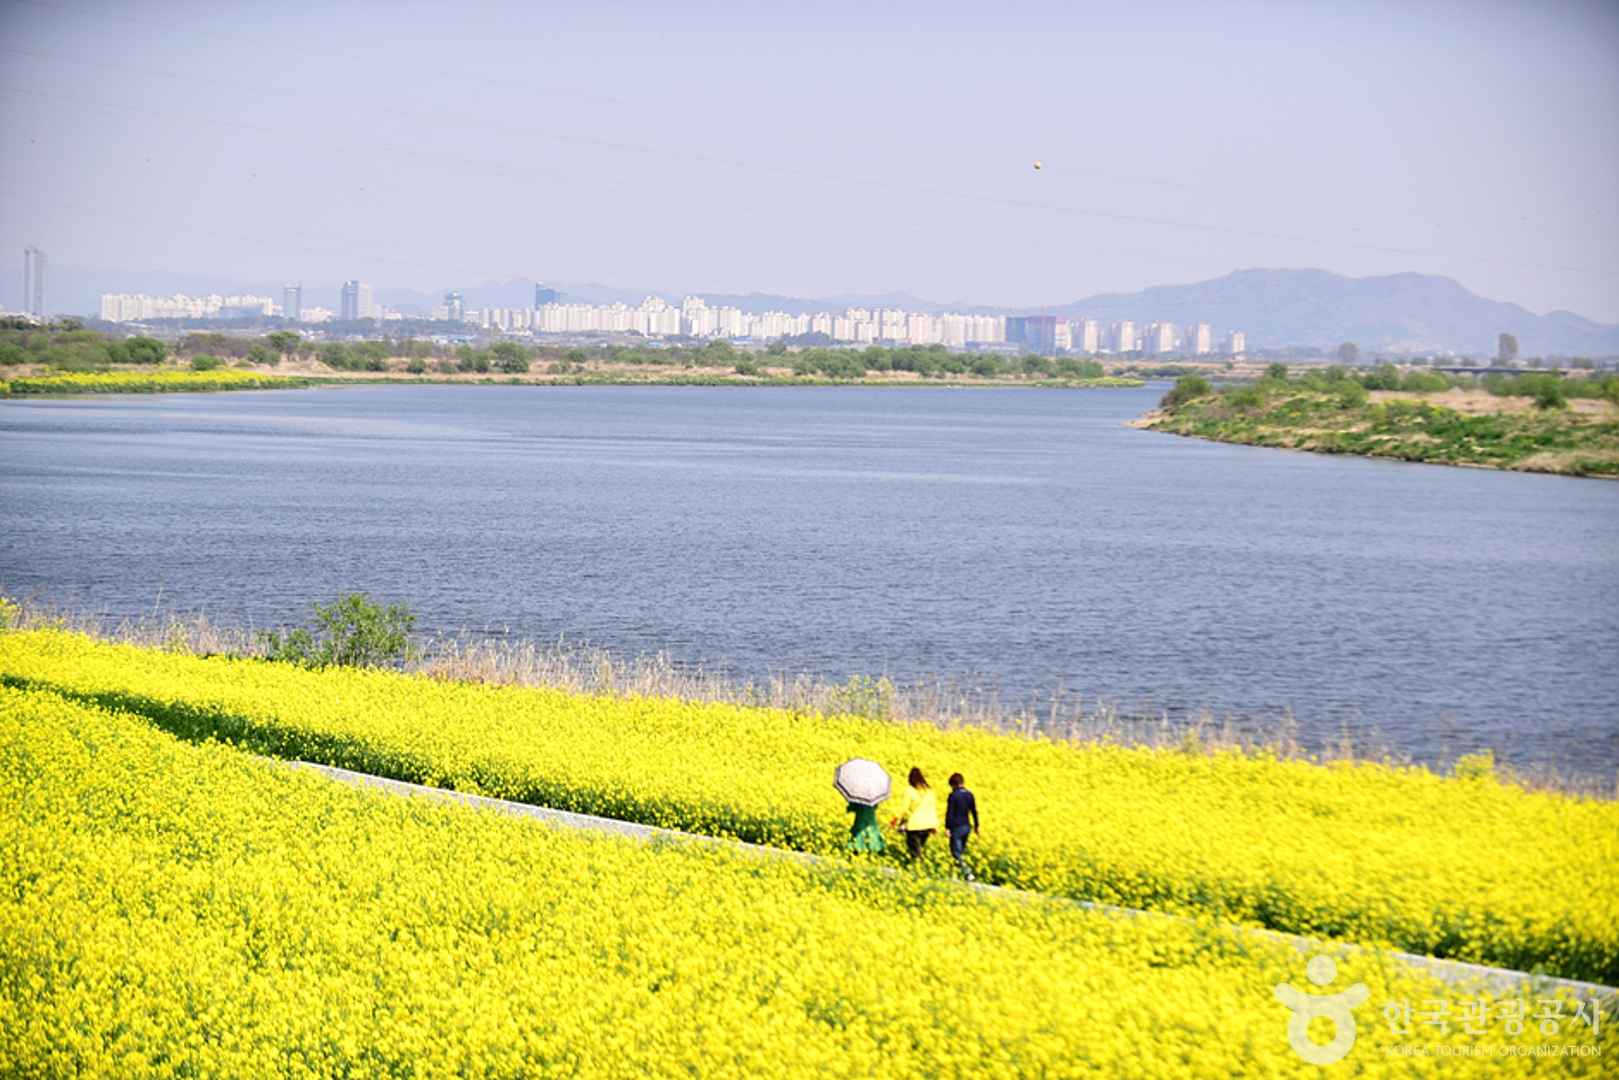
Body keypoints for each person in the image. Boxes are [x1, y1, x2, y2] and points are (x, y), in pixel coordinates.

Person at [889, 766, 939, 859]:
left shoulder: (910, 790)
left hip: (915, 826)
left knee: (915, 853)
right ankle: (918, 867)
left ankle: (916, 868)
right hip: (928, 825)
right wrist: (935, 826)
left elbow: (903, 808)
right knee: (918, 849)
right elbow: (932, 809)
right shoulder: (930, 792)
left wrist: (895, 819)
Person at [945, 772, 980, 881]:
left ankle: (968, 873)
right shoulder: (970, 794)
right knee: (959, 852)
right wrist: (977, 825)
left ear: (953, 785)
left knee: (956, 853)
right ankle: (954, 876)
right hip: (967, 827)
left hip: (956, 827)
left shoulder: (953, 796)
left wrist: (947, 828)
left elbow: (950, 813)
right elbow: (974, 811)